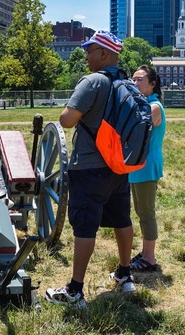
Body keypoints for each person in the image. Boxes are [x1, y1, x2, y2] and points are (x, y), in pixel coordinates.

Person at [45, 30, 135, 308]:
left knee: (85, 227)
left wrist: (69, 108)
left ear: (104, 54)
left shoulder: (94, 81)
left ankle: (74, 291)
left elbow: (67, 120)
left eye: (90, 50)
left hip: (89, 166)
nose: (86, 55)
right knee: (122, 219)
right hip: (119, 165)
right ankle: (124, 274)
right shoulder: (127, 83)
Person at [129, 65, 165, 271]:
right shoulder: (142, 104)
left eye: (140, 79)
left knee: (146, 213)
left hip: (147, 165)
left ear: (152, 84)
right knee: (140, 210)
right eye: (133, 79)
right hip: (137, 165)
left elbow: (135, 132)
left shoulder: (154, 107)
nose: (135, 83)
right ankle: (145, 252)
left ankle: (150, 258)